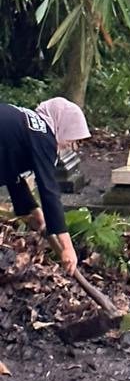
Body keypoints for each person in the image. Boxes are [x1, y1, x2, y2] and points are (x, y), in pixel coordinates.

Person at [0, 99, 89, 275]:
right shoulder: (44, 136)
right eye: (72, 138)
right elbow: (49, 190)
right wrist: (67, 247)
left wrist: (34, 211)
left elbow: (13, 173)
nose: (70, 146)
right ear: (63, 124)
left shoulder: (31, 127)